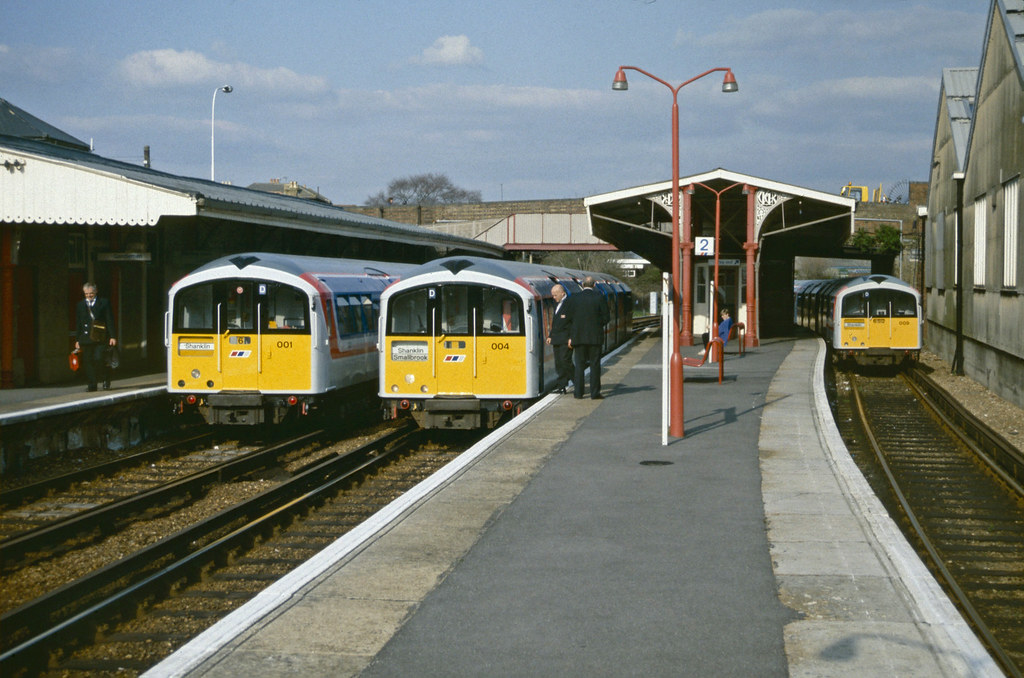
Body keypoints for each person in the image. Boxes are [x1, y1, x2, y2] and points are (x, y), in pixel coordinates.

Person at [566, 276, 609, 399]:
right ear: (594, 285)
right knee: (595, 365)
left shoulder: (574, 298)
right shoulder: (599, 297)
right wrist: (596, 325)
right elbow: (606, 318)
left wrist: (572, 335)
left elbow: (569, 319)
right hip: (595, 338)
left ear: (582, 285)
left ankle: (578, 393)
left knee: (579, 365)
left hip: (578, 338)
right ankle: (594, 393)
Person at [75, 282, 117, 392]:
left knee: (99, 359)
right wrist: (77, 340)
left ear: (96, 292)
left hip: (101, 337)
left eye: (91, 293)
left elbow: (109, 320)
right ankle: (92, 385)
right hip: (86, 338)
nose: (89, 296)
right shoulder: (80, 305)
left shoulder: (104, 303)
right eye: (86, 294)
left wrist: (113, 336)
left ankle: (105, 379)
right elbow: (78, 323)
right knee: (88, 362)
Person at [546, 284, 573, 394]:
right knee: (559, 363)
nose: (553, 297)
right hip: (557, 339)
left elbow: (573, 323)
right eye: (552, 295)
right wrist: (550, 336)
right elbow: (556, 323)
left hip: (566, 339)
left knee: (565, 361)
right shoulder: (557, 304)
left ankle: (577, 380)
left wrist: (572, 337)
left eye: (555, 295)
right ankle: (562, 385)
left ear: (562, 293)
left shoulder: (569, 304)